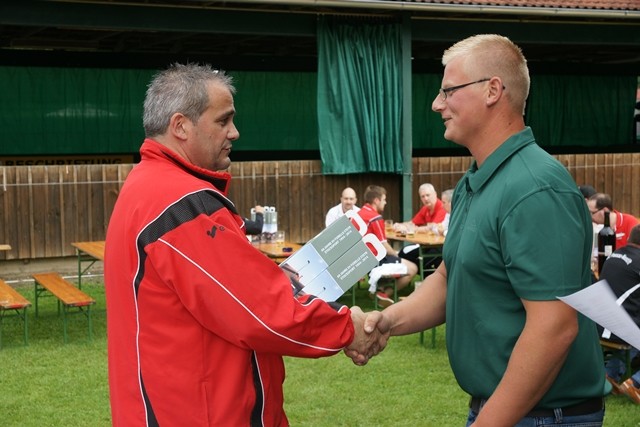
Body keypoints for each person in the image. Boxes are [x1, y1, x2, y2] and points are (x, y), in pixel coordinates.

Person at [104, 63, 382, 426]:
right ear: (180, 126)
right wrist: (348, 328)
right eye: (223, 120)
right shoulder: (181, 203)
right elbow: (260, 311)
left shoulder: (146, 185)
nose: (234, 132)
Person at [347, 34, 605, 426]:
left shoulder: (535, 188)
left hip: (544, 417)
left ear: (493, 90)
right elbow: (450, 278)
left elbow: (554, 328)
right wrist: (387, 321)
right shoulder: (477, 181)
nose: (437, 104)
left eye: (448, 90)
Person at [357, 185, 418, 308]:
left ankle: (381, 288)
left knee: (398, 258)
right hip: (376, 260)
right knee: (413, 268)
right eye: (384, 199)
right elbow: (384, 246)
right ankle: (384, 294)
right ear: (376, 200)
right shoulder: (375, 217)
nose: (385, 203)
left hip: (363, 260)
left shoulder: (359, 214)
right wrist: (396, 254)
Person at [599, 224, 640, 404]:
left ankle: (609, 375)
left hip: (598, 323)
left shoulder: (613, 255)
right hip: (618, 329)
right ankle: (636, 383)